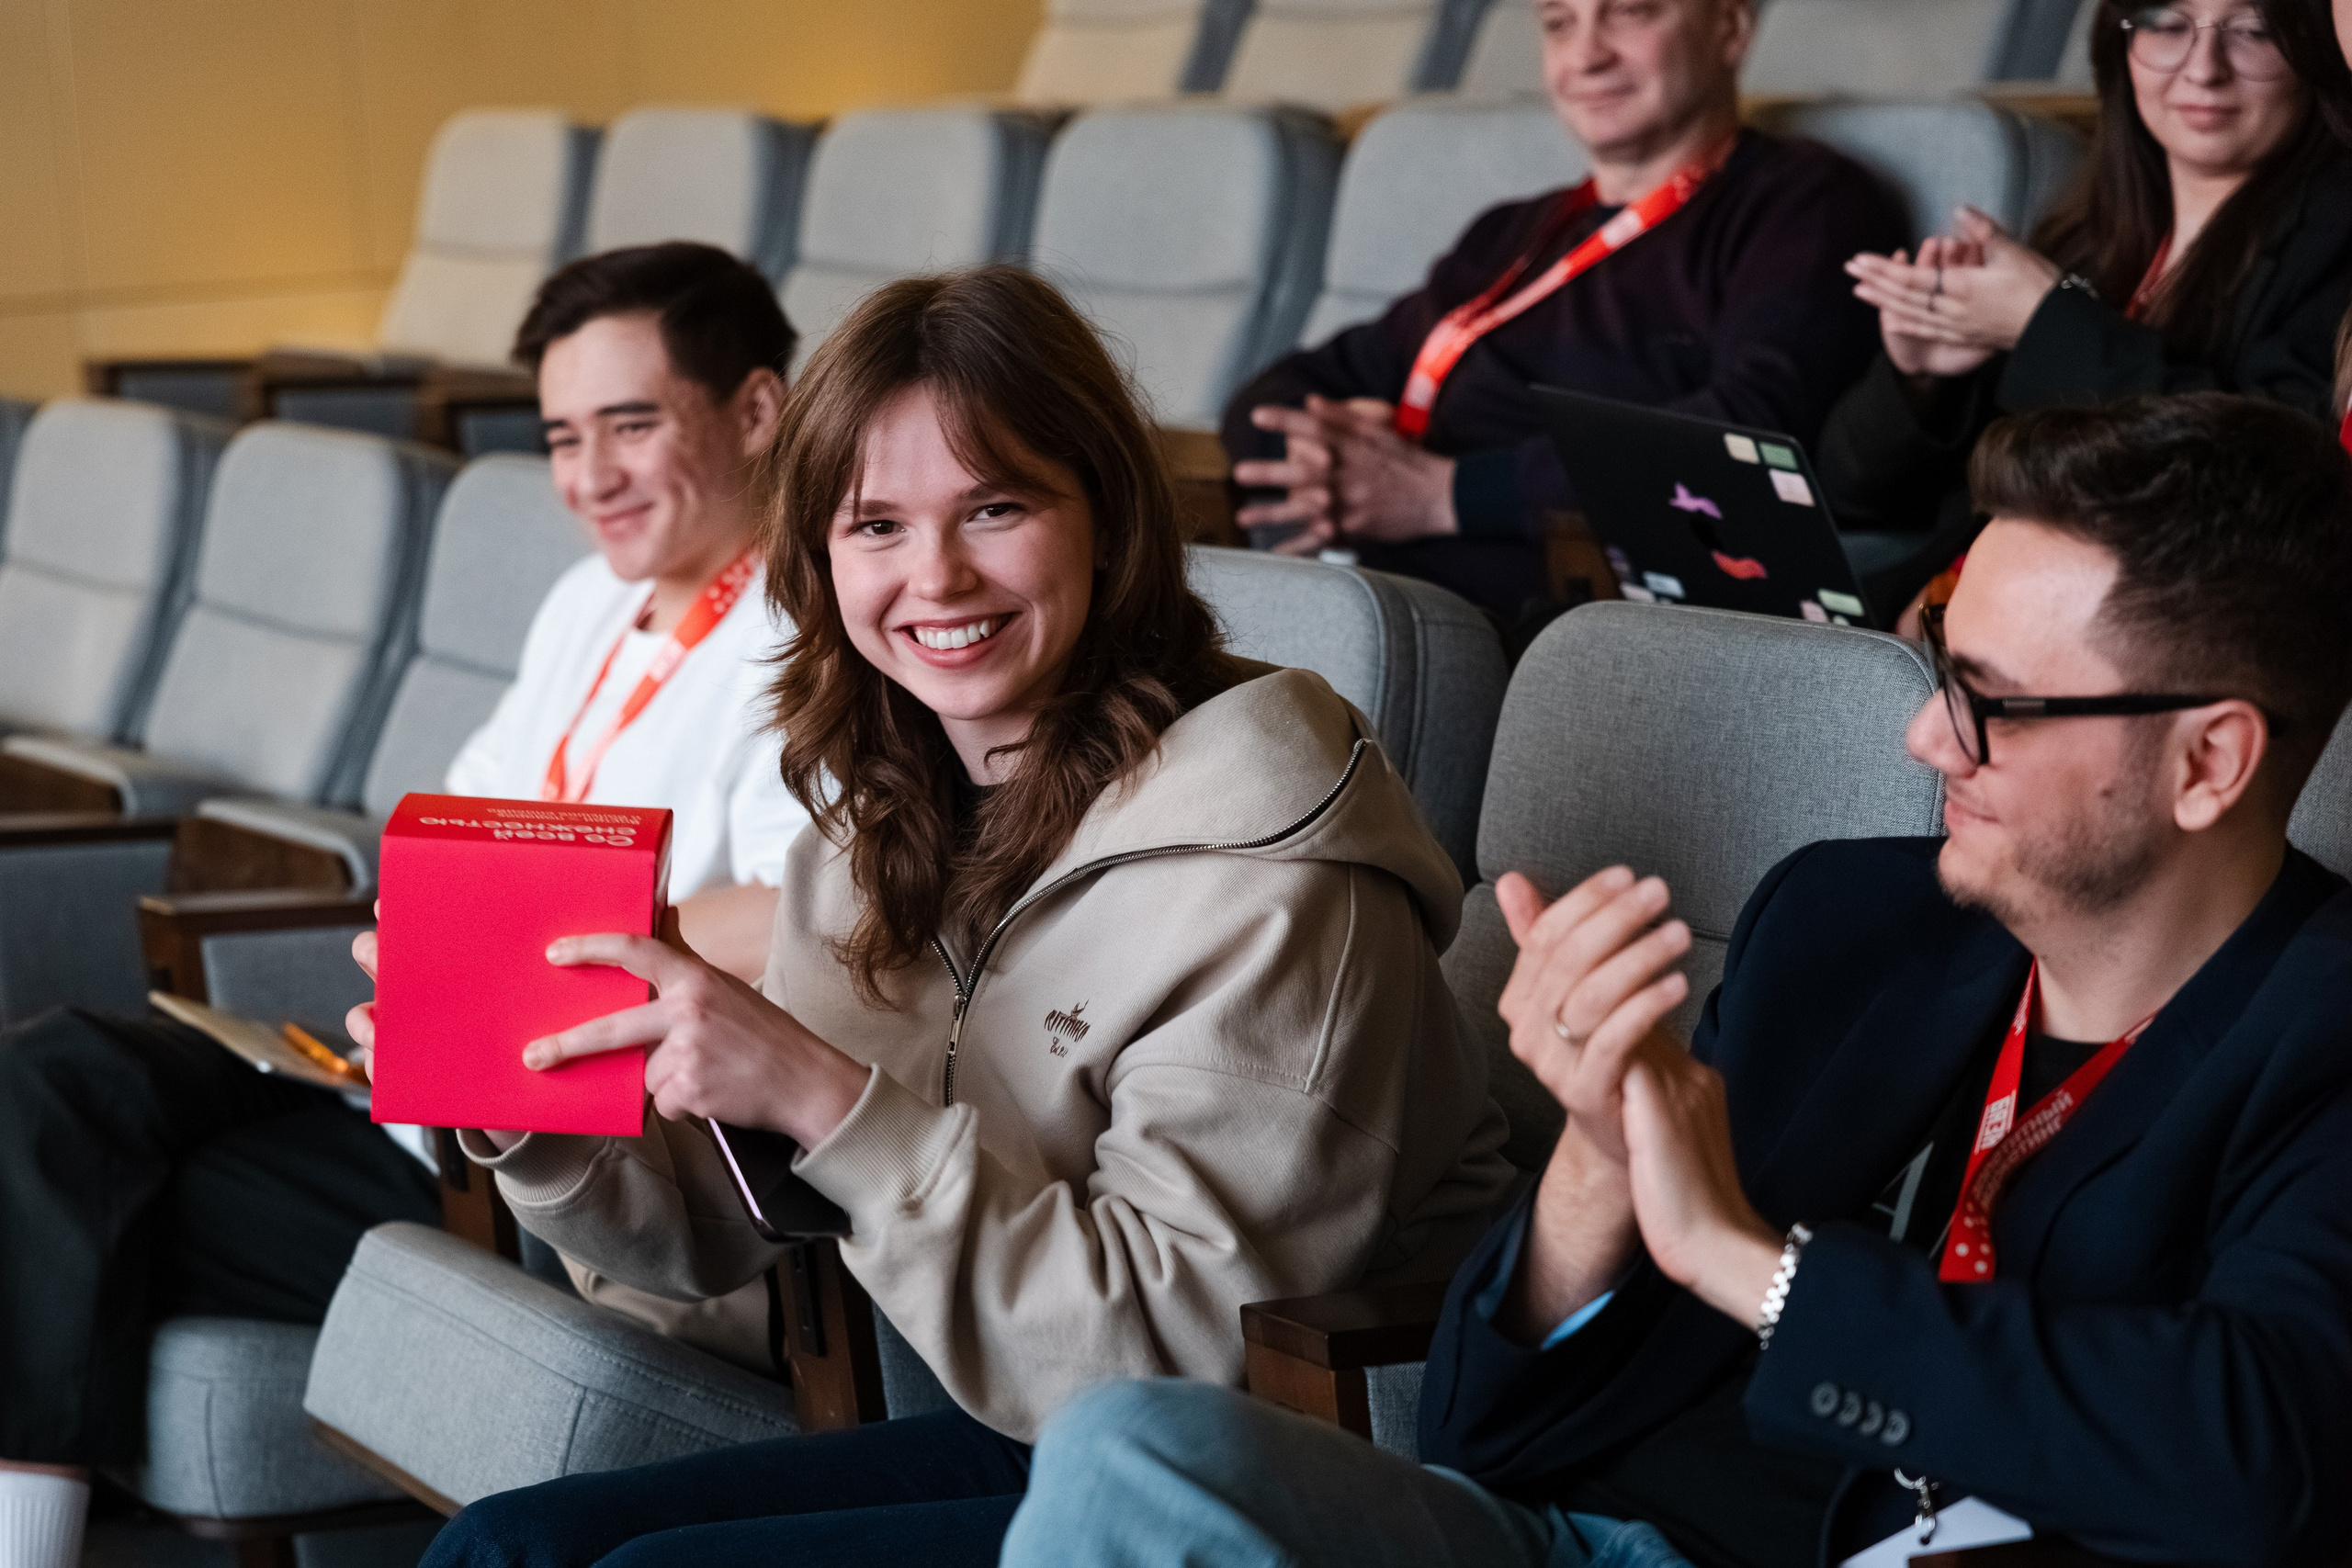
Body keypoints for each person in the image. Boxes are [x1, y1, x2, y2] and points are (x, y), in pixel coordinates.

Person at [999, 393, 2352, 1566]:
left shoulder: (2323, 1030)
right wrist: (1601, 1153)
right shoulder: (1849, 920)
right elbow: (1485, 1431)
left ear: (2209, 762)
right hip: (1617, 1534)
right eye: (1940, 662)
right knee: (1126, 1449)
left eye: (1990, 699)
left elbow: (2255, 1454)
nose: (1925, 734)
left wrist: (1749, 1264)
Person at [391, 265, 1511, 1568]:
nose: (936, 575)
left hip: (1256, 1469)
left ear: (1105, 515)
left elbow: (1170, 1360)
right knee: (506, 1548)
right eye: (875, 524)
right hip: (998, 1402)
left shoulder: (1278, 868)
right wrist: (538, 1100)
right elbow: (714, 1238)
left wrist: (826, 1099)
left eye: (996, 506)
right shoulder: (885, 820)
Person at [0, 241, 806, 1568]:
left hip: (558, 1143)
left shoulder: (803, 629)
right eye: (559, 436)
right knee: (58, 1074)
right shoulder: (586, 603)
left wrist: (536, 947)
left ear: (758, 410)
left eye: (630, 426)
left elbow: (797, 908)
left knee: (59, 1186)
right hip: (409, 1062)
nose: (588, 477)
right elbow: (452, 822)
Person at [1219, 0, 1905, 625]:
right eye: (1558, 22)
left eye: (1629, 13)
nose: (1587, 55)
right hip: (1373, 598)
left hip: (1567, 626)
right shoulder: (1512, 234)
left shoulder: (1803, 205)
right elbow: (1276, 392)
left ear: (1731, 28)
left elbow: (1748, 433)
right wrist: (1325, 464)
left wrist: (1449, 495)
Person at [1825, 0, 2352, 616]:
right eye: (2167, 24)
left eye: (2254, 31)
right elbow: (1856, 497)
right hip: (1967, 598)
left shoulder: (2336, 228)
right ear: (2120, 41)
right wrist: (1922, 378)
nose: (2204, 69)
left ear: (2316, 50)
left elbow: (2272, 477)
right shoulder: (2086, 229)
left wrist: (2043, 323)